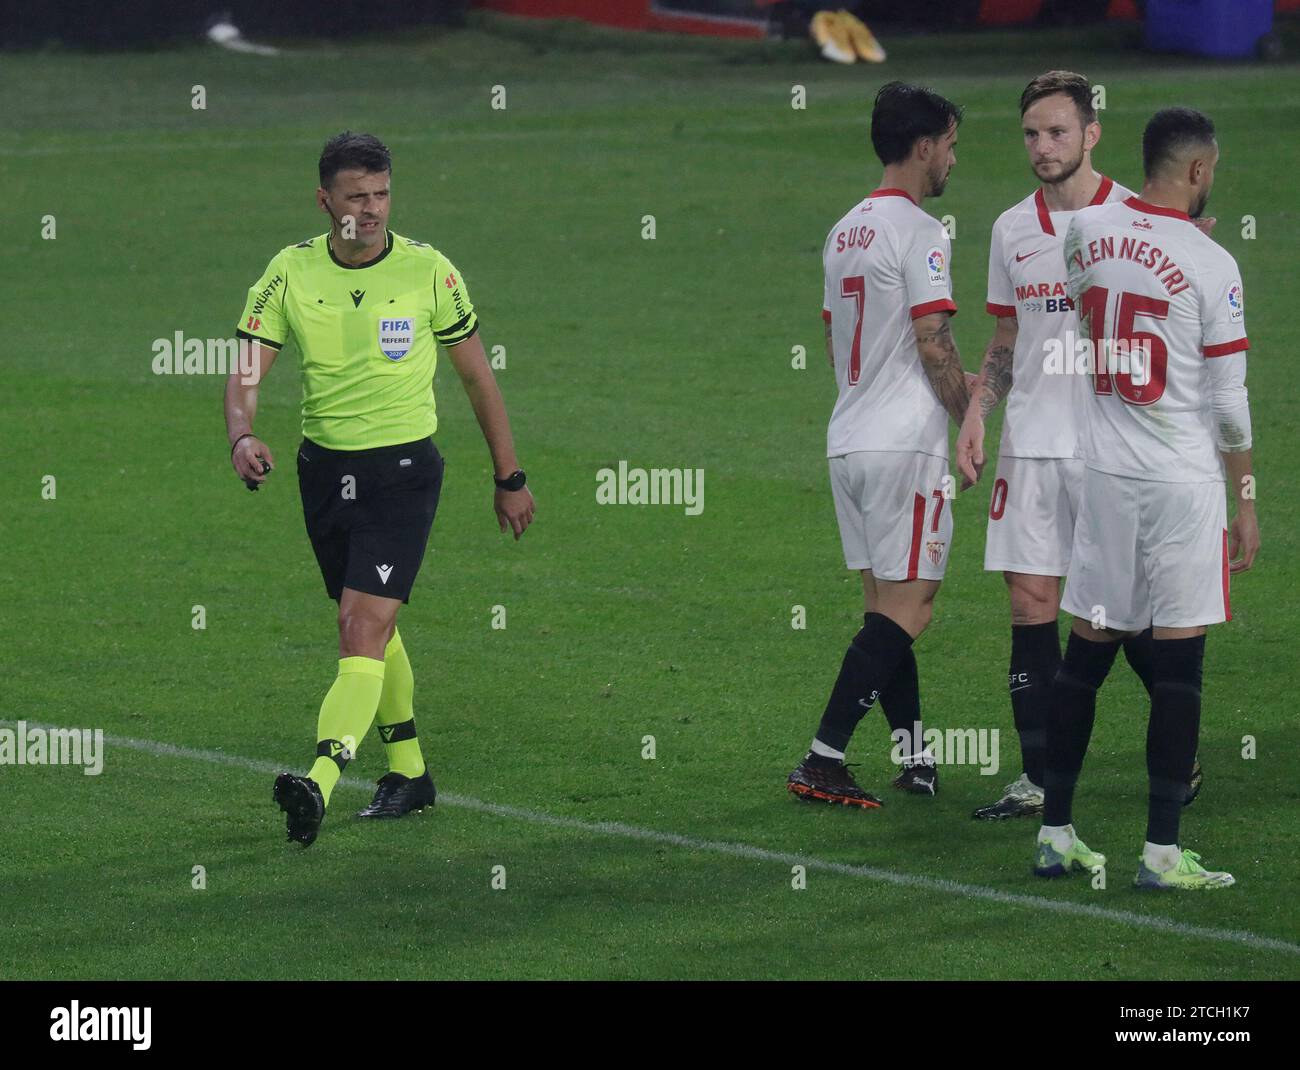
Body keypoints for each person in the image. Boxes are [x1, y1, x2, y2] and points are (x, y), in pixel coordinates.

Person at [224, 131, 535, 847]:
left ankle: (321, 776)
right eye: (356, 196)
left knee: (358, 626)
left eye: (382, 195)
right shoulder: (289, 272)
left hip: (402, 475)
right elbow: (245, 368)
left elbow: (477, 378)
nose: (369, 210)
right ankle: (410, 773)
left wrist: (509, 475)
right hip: (323, 473)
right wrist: (242, 432)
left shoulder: (429, 271)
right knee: (369, 622)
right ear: (325, 199)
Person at [1032, 107, 1257, 889]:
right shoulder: (1212, 261)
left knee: (1086, 655)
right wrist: (1248, 499)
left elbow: (1106, 301)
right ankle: (1162, 852)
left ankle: (1055, 833)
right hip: (1179, 483)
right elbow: (1229, 406)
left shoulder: (1085, 231)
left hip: (1104, 480)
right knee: (1179, 665)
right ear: (1198, 172)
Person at [787, 82, 971, 808]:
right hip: (905, 444)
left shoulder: (845, 230)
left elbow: (835, 340)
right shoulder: (923, 233)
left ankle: (915, 754)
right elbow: (935, 342)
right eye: (951, 145)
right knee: (913, 605)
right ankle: (822, 757)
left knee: (883, 606)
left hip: (850, 435)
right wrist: (972, 419)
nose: (953, 159)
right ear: (924, 146)